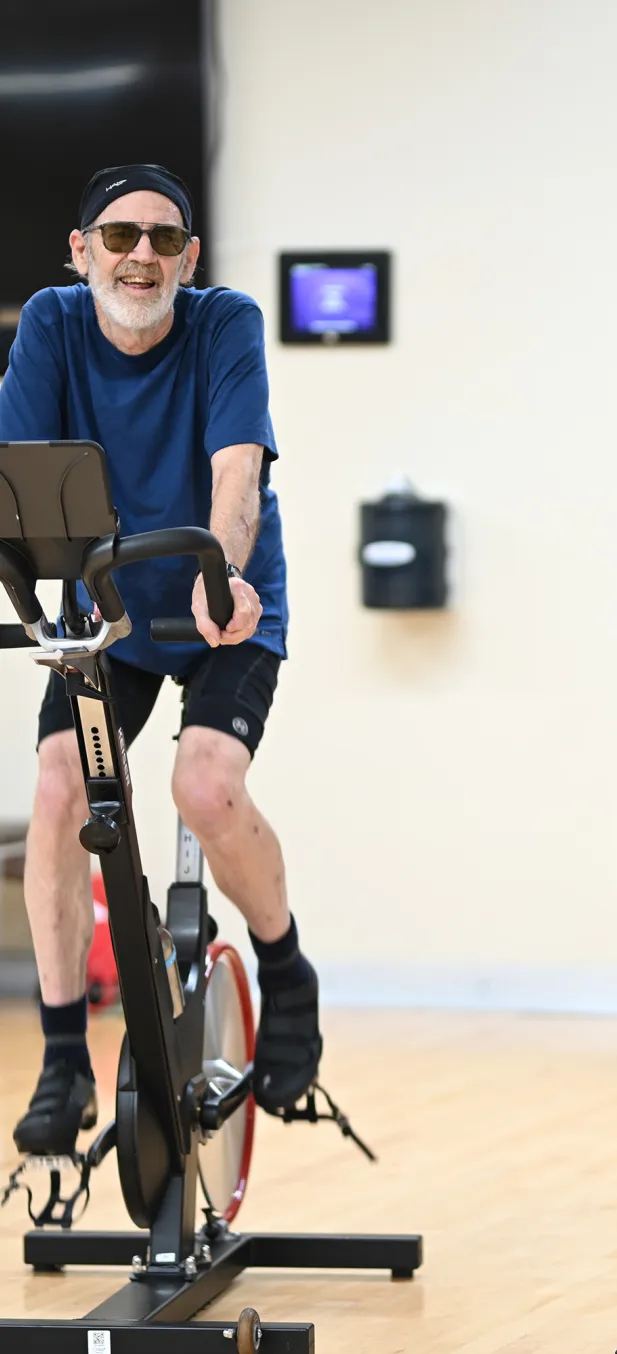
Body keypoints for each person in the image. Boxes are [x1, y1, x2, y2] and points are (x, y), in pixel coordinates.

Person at [0, 164, 322, 1156]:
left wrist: (218, 573)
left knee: (204, 786)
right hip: (108, 605)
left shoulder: (224, 323)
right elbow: (18, 485)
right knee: (60, 790)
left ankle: (285, 968)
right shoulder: (53, 325)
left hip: (221, 599)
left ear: (187, 256)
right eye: (121, 235)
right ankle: (62, 1054)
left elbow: (238, 472)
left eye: (163, 239)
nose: (142, 254)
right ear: (81, 248)